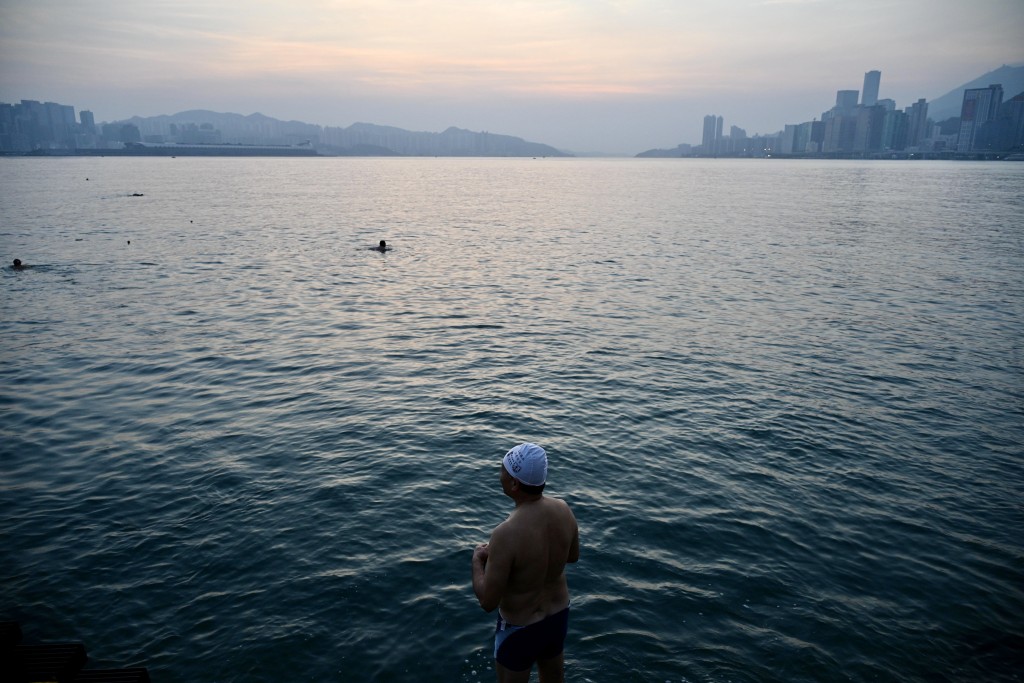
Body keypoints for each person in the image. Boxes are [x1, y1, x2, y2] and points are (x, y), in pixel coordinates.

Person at [472, 443, 580, 683]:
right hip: (558, 616)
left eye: (503, 470)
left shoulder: (506, 533)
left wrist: (477, 561)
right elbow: (572, 557)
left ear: (514, 484)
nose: (499, 474)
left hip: (520, 628)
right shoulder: (564, 509)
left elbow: (488, 602)